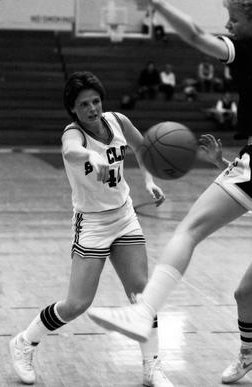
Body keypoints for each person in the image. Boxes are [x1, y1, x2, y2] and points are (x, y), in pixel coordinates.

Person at [88, 0, 252, 384]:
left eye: (236, 19)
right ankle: (247, 354)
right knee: (246, 293)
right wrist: (223, 163)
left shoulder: (246, 48)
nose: (228, 25)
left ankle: (143, 311)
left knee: (188, 230)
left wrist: (157, 4)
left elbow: (195, 35)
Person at [9, 71, 176, 387]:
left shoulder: (118, 121)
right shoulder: (74, 136)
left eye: (96, 101)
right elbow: (72, 151)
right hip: (93, 223)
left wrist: (150, 181)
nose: (92, 108)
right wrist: (90, 155)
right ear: (73, 109)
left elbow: (143, 149)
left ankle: (151, 367)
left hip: (124, 216)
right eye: (84, 104)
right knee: (76, 305)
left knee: (142, 292)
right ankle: (24, 342)